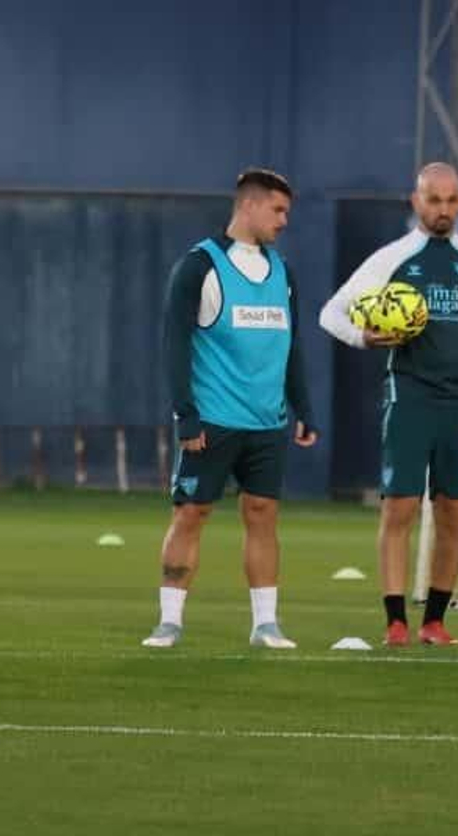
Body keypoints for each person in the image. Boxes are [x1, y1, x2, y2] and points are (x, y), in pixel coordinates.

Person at [318, 163, 458, 646]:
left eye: (450, 200)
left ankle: (435, 622)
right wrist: (363, 338)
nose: (442, 209)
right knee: (399, 509)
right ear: (415, 201)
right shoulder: (393, 258)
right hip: (409, 399)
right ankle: (396, 622)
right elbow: (330, 313)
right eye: (433, 200)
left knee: (454, 512)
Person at [141, 168, 318, 650]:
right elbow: (174, 344)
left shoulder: (283, 273)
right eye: (278, 210)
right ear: (249, 206)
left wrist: (303, 406)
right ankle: (170, 621)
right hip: (212, 422)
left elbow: (291, 344)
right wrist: (186, 415)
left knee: (262, 514)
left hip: (267, 423)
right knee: (191, 514)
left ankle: (266, 625)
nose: (284, 221)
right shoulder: (200, 266)